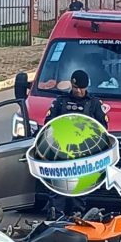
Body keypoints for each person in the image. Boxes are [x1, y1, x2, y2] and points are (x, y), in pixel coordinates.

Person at [43, 70, 109, 219]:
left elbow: (103, 129)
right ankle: (55, 215)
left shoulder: (94, 104)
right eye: (75, 87)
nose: (78, 91)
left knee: (79, 187)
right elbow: (48, 125)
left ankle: (77, 215)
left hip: (83, 153)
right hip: (61, 151)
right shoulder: (60, 102)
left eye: (81, 88)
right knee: (58, 186)